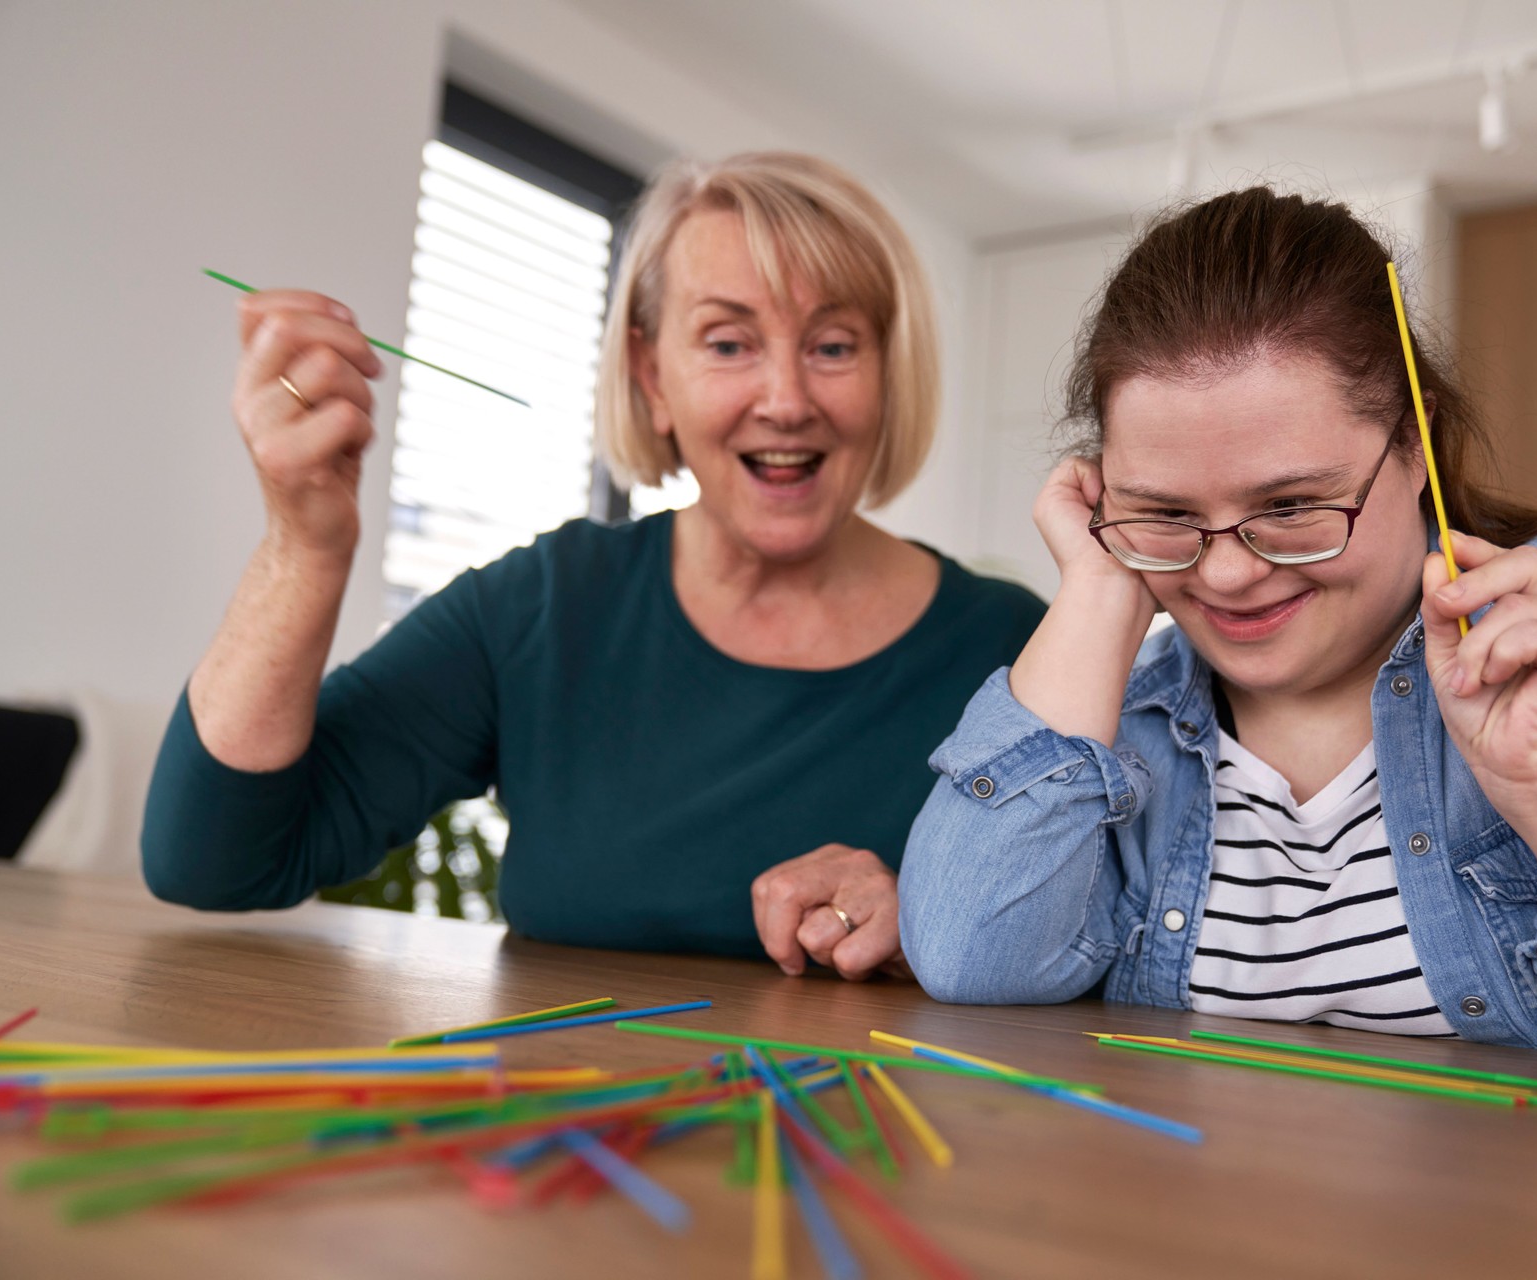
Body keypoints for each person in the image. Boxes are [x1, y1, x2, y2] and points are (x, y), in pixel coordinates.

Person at [897, 187, 1537, 1084]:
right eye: (1164, 511)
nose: (1227, 571)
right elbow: (969, 958)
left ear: (1414, 446)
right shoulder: (1123, 702)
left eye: (1290, 504)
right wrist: (1102, 594)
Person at [142, 152, 1044, 979]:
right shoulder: (543, 607)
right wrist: (303, 546)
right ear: (653, 378)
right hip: (565, 1136)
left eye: (833, 346)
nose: (785, 400)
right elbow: (214, 861)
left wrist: (934, 916)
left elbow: (1128, 952)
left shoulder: (1013, 651)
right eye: (728, 344)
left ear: (888, 372)